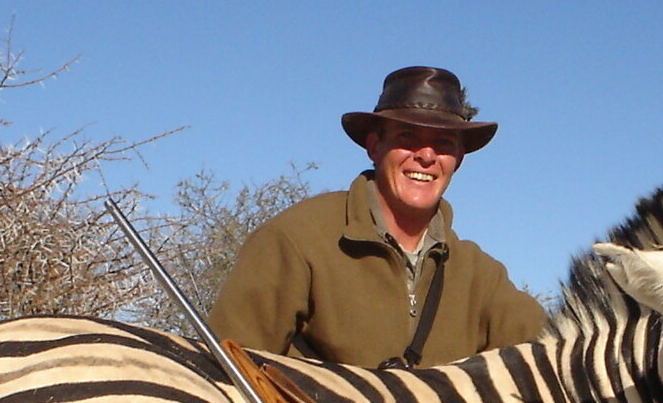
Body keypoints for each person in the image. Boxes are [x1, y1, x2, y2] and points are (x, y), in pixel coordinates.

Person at [211, 66, 546, 367]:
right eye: (407, 137)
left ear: (458, 159)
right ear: (374, 147)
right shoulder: (296, 238)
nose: (426, 156)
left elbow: (554, 349)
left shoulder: (480, 274)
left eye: (443, 143)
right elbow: (228, 367)